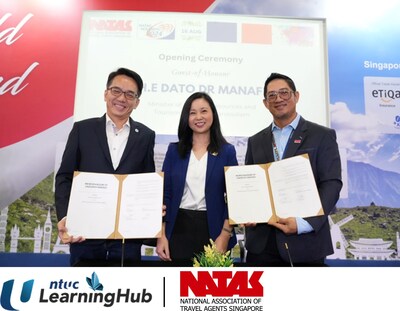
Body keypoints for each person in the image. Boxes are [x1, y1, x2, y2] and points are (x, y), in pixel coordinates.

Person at [55, 67, 156, 266]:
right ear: (105, 93)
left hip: (127, 238)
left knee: (127, 293)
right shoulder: (82, 129)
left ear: (137, 102)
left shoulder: (145, 136)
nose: (122, 98)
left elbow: (146, 182)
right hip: (85, 234)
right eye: (116, 91)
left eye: (130, 94)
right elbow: (65, 177)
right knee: (86, 293)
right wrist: (67, 217)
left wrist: (150, 207)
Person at [244, 72, 342, 266]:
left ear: (296, 96)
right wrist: (247, 211)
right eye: (271, 95)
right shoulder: (256, 141)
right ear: (265, 103)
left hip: (306, 244)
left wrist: (304, 224)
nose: (278, 99)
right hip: (262, 246)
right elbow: (250, 185)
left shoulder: (322, 135)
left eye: (284, 93)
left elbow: (331, 184)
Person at [156, 92, 238, 266]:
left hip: (214, 230)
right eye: (193, 113)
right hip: (177, 229)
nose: (198, 117)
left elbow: (234, 198)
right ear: (186, 118)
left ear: (213, 115)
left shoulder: (227, 152)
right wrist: (161, 235)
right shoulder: (174, 151)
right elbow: (165, 195)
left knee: (209, 291)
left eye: (204, 111)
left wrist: (224, 235)